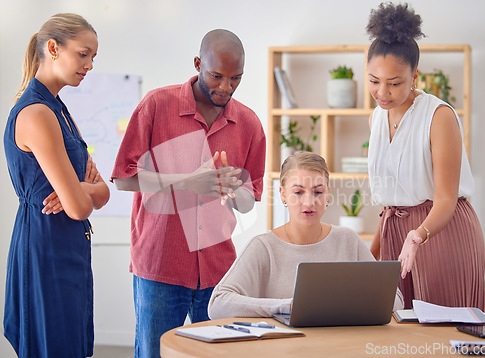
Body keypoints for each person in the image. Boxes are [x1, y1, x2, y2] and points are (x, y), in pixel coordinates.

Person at [111, 29, 266, 357]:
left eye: (235, 78)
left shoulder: (250, 124)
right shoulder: (156, 105)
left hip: (219, 270)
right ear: (198, 64)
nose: (226, 87)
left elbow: (248, 202)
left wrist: (232, 189)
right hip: (160, 265)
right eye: (216, 76)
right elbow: (123, 178)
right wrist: (186, 182)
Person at [3, 13, 110, 357]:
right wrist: (83, 191)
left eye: (93, 57)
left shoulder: (59, 110)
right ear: (53, 48)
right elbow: (79, 206)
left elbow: (102, 192)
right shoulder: (37, 113)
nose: (90, 64)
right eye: (83, 54)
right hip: (46, 246)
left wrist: (85, 190)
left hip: (67, 244)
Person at [366, 2, 485, 310]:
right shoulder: (376, 118)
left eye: (394, 83)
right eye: (374, 81)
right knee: (395, 334)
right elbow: (390, 199)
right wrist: (371, 253)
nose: (382, 92)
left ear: (415, 75)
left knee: (445, 337)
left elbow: (446, 198)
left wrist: (418, 235)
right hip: (395, 233)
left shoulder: (439, 116)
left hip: (439, 230)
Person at [208, 152, 403, 319]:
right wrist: (285, 307)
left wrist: (344, 303)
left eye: (318, 192)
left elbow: (395, 300)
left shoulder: (347, 240)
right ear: (283, 194)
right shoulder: (263, 247)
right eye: (298, 192)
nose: (309, 202)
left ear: (328, 194)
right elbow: (218, 304)